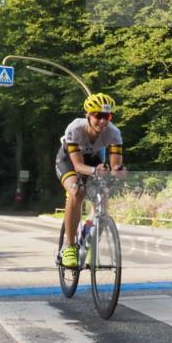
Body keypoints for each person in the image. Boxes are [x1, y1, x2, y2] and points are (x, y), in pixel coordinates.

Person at [55, 92, 126, 267]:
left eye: (107, 116)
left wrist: (119, 171)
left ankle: (90, 236)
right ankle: (69, 247)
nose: (103, 121)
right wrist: (96, 170)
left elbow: (115, 166)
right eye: (98, 116)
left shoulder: (114, 133)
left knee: (103, 198)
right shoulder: (75, 129)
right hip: (69, 162)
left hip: (94, 160)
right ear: (88, 115)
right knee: (76, 191)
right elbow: (78, 166)